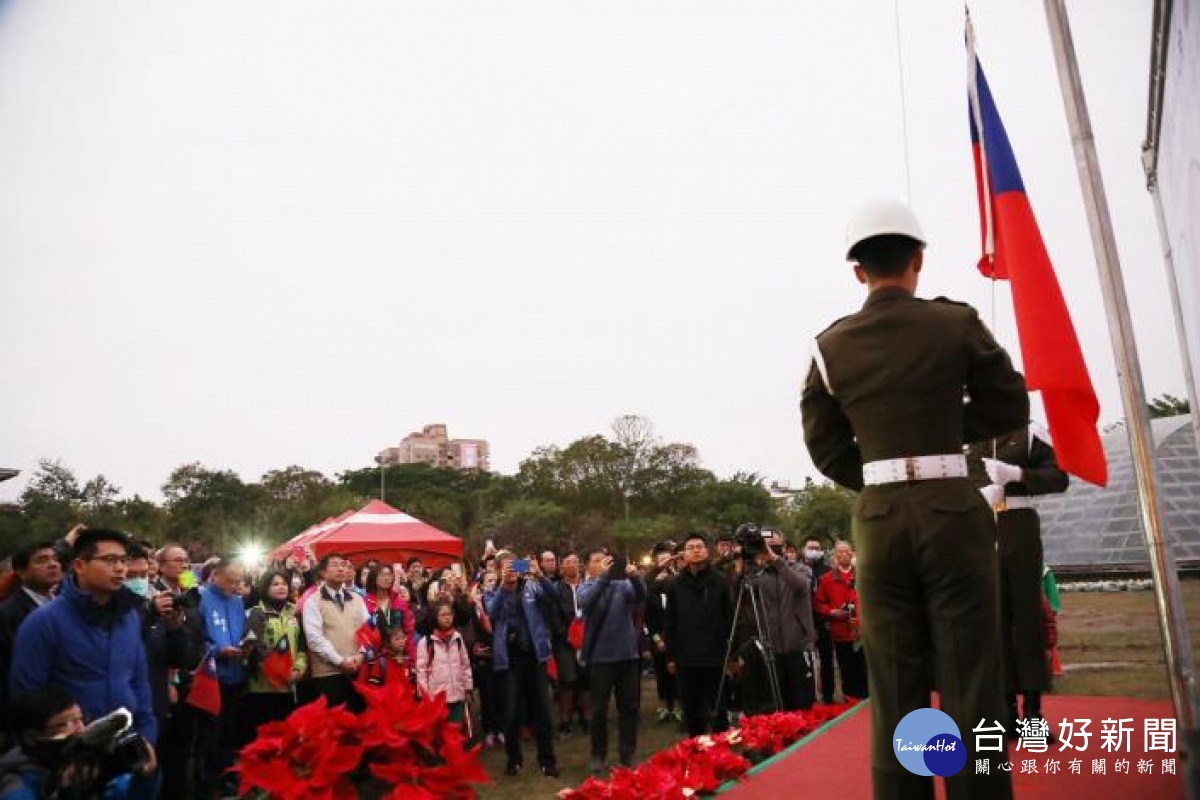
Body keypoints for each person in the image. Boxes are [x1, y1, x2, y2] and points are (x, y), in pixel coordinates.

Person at [801, 200, 1027, 799]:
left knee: (895, 678)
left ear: (857, 272)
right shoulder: (955, 324)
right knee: (971, 674)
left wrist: (880, 478)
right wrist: (943, 434)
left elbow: (824, 447)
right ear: (918, 260)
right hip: (953, 509)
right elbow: (1009, 406)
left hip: (879, 520)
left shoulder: (831, 346)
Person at [9, 529, 159, 799]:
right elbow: (27, 698)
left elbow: (138, 682)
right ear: (79, 565)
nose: (120, 568)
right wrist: (61, 757)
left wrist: (147, 736)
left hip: (125, 754)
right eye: (110, 560)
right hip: (69, 766)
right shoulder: (44, 622)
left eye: (123, 560)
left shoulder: (130, 617)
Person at [968, 424, 1069, 732]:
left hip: (1020, 524)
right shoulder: (974, 438)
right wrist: (978, 496)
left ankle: (1034, 711)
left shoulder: (1030, 434)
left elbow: (1059, 478)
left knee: (1027, 618)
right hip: (985, 524)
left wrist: (1019, 476)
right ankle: (1006, 708)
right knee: (994, 620)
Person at [485, 553, 559, 779]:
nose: (512, 570)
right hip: (510, 659)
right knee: (511, 713)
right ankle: (514, 760)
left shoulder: (530, 586)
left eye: (514, 565)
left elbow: (554, 597)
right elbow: (492, 612)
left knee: (542, 711)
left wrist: (540, 575)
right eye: (506, 567)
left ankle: (547, 762)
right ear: (498, 570)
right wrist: (504, 586)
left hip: (534, 656)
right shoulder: (492, 592)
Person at [732, 531, 817, 714]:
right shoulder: (760, 575)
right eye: (764, 544)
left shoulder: (800, 569)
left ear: (783, 546)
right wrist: (742, 564)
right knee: (780, 702)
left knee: (803, 701)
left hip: (798, 646)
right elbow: (742, 595)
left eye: (772, 543)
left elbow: (800, 585)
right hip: (773, 649)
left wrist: (776, 560)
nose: (767, 547)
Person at [577, 549, 645, 775]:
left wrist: (635, 577)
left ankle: (628, 753)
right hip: (600, 660)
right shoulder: (586, 587)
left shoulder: (621, 585)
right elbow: (587, 603)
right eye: (596, 561)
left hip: (627, 657)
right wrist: (604, 577)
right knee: (598, 710)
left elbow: (641, 595)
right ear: (588, 567)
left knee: (629, 708)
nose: (602, 564)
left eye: (605, 561)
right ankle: (598, 754)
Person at [0, 686, 135, 800]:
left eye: (80, 719)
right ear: (32, 737)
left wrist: (144, 779)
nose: (80, 730)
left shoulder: (81, 767)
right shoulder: (16, 786)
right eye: (67, 724)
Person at [664, 533, 733, 737]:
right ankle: (696, 750)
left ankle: (722, 750)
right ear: (683, 554)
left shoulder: (720, 581)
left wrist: (732, 654)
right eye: (691, 547)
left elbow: (728, 617)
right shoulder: (675, 584)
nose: (696, 550)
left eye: (700, 546)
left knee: (719, 706)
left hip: (716, 655)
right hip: (686, 657)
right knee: (692, 710)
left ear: (707, 551)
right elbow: (671, 621)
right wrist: (671, 655)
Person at [196, 558, 248, 799]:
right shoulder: (200, 599)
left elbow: (243, 632)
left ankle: (229, 778)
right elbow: (195, 641)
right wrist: (218, 650)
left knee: (230, 731)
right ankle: (207, 784)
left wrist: (247, 646)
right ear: (215, 575)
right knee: (210, 735)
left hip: (235, 675)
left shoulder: (237, 601)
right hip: (210, 677)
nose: (235, 586)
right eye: (230, 581)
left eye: (239, 581)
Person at [302, 553, 369, 712]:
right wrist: (340, 661)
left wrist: (361, 655)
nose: (340, 568)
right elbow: (314, 638)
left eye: (343, 565)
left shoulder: (357, 599)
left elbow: (369, 632)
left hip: (358, 671)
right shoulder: (313, 601)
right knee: (331, 727)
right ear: (323, 573)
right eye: (334, 565)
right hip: (328, 674)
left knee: (358, 722)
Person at [0, 541, 61, 713]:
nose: (53, 564)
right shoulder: (9, 614)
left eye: (55, 559)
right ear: (20, 571)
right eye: (42, 560)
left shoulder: (67, 606)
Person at [244, 570, 307, 735]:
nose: (281, 588)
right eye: (275, 584)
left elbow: (302, 645)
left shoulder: (295, 611)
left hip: (290, 685)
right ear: (265, 588)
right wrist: (276, 670)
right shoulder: (256, 613)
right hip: (264, 687)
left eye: (284, 584)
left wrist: (299, 668)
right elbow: (255, 648)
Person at [813, 541, 867, 699]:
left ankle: (866, 700)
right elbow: (819, 603)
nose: (844, 554)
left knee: (864, 668)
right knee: (846, 668)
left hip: (863, 632)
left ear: (853, 553)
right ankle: (850, 699)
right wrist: (832, 612)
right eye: (840, 552)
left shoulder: (863, 575)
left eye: (847, 551)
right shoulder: (827, 579)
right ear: (835, 556)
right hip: (841, 632)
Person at [416, 599, 473, 724]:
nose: (448, 618)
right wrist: (425, 697)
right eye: (443, 615)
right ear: (435, 617)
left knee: (456, 732)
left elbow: (465, 665)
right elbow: (421, 672)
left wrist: (468, 688)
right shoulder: (426, 643)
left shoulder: (458, 639)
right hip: (437, 699)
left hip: (457, 695)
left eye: (450, 614)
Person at [643, 541, 680, 724]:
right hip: (658, 638)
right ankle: (665, 707)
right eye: (661, 560)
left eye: (668, 559)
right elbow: (648, 619)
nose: (665, 563)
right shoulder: (650, 589)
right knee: (661, 672)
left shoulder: (679, 582)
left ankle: (680, 707)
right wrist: (658, 640)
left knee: (678, 674)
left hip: (678, 638)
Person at [801, 535, 836, 704]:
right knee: (806, 662)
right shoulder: (798, 569)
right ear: (804, 549)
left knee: (827, 661)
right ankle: (809, 697)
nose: (813, 551)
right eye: (810, 547)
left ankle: (829, 696)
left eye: (816, 548)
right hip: (804, 623)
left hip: (824, 623)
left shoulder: (828, 571)